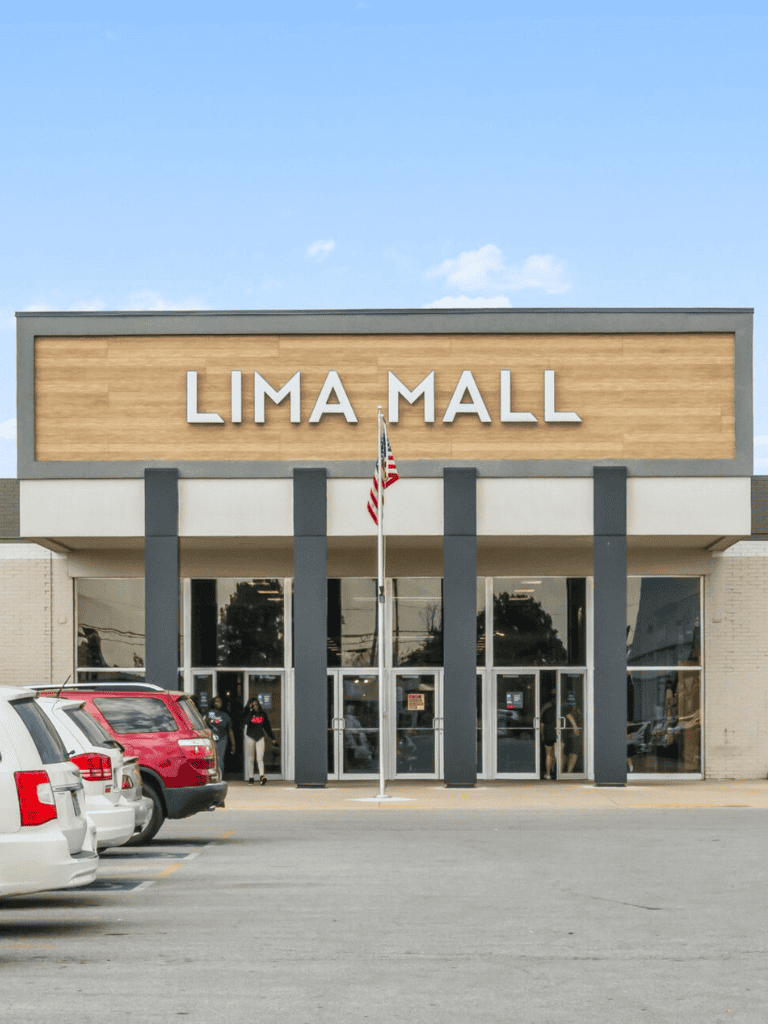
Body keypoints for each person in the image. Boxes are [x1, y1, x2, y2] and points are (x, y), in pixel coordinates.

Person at [244, 696, 276, 785]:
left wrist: (272, 738)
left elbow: (267, 726)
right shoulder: (247, 713)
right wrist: (250, 712)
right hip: (250, 736)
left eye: (256, 704)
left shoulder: (262, 713)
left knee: (259, 757)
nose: (255, 706)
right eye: (253, 705)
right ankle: (251, 777)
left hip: (260, 736)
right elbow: (246, 722)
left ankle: (262, 776)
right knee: (250, 758)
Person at [205, 696, 235, 777]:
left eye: (220, 701)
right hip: (211, 738)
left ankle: (220, 776)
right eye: (217, 701)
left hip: (222, 738)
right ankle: (211, 775)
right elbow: (204, 726)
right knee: (212, 757)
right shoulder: (209, 714)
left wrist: (233, 744)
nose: (219, 703)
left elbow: (230, 730)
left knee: (220, 758)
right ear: (213, 703)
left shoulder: (224, 715)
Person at [539, 687, 557, 780]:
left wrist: (542, 735)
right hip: (558, 732)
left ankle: (548, 774)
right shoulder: (561, 708)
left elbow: (541, 724)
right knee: (557, 754)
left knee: (549, 754)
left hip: (548, 733)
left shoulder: (546, 708)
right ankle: (558, 773)